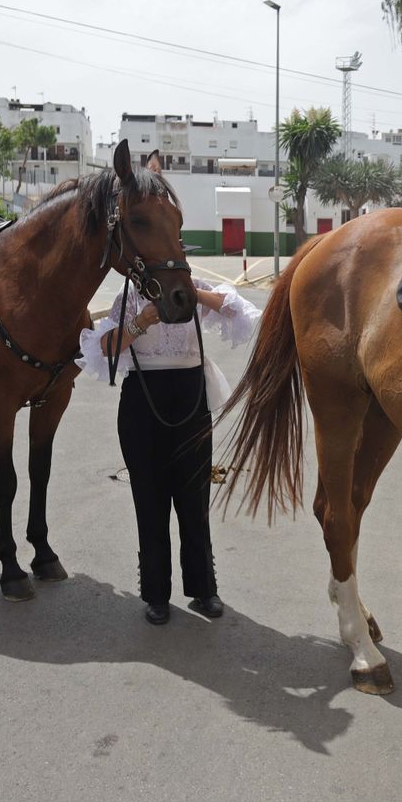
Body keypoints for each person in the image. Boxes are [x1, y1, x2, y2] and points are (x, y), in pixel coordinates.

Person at [78, 261, 259, 626]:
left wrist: (195, 295)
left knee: (195, 498)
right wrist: (140, 321)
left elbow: (238, 311)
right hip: (142, 400)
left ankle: (204, 589)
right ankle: (156, 595)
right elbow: (102, 350)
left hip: (191, 396)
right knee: (149, 500)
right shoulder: (128, 297)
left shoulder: (191, 288)